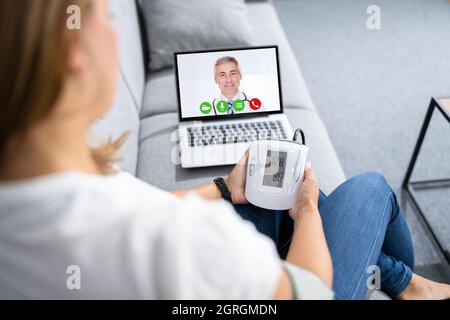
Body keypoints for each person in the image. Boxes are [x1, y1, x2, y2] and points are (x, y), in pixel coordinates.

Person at [0, 0, 449, 300]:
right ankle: (407, 283)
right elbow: (308, 292)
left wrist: (222, 185)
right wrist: (309, 210)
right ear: (70, 50)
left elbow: (142, 199)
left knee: (268, 189)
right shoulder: (175, 240)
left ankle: (403, 281)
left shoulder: (56, 195)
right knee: (369, 190)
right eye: (104, 16)